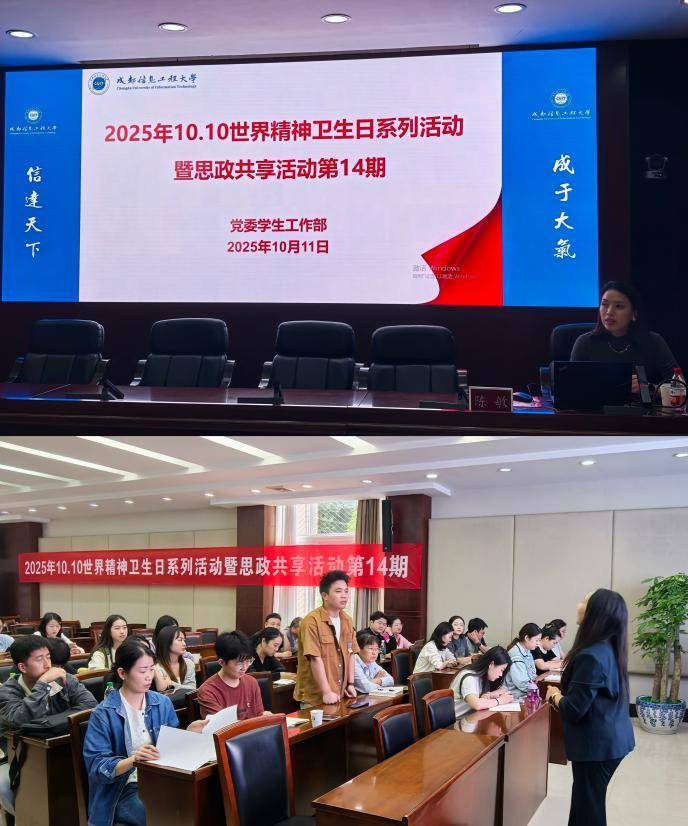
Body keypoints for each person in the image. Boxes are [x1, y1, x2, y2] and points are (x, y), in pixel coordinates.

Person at [83, 638, 206, 826]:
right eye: (142, 671)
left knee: (200, 804)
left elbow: (170, 747)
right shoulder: (103, 714)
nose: (149, 677)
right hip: (123, 789)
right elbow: (97, 767)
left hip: (160, 778)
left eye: (151, 669)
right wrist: (134, 760)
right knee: (168, 815)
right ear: (122, 673)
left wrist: (188, 733)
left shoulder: (161, 702)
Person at [546, 589, 635, 826]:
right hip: (611, 740)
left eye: (585, 600)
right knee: (583, 802)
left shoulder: (591, 655)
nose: (578, 604)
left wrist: (555, 696)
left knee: (589, 811)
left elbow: (574, 709)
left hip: (598, 747)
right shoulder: (608, 647)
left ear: (596, 612)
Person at [0, 636, 97, 819]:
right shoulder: (7, 692)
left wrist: (50, 724)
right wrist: (42, 685)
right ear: (22, 667)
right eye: (39, 659)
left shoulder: (63, 679)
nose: (47, 664)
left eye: (48, 657)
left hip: (62, 748)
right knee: (3, 785)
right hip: (19, 754)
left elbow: (90, 705)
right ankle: (25, 818)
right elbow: (19, 719)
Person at [571, 280, 681, 388]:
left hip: (642, 401)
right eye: (604, 304)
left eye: (619, 306)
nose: (609, 312)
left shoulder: (653, 342)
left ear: (634, 314)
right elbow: (571, 387)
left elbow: (680, 388)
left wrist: (647, 387)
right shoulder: (585, 343)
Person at [294, 570, 359, 709]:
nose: (344, 595)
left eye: (346, 591)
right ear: (325, 595)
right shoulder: (311, 621)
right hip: (316, 698)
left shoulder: (347, 620)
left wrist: (351, 684)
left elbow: (351, 653)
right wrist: (326, 691)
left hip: (340, 695)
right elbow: (314, 658)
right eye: (338, 591)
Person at [197, 631, 269, 719]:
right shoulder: (208, 691)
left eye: (248, 661)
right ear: (222, 662)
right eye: (240, 663)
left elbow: (259, 715)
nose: (245, 667)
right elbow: (223, 725)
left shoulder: (252, 682)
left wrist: (265, 717)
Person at [450, 646, 514, 717]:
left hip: (472, 717)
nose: (501, 674)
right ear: (491, 664)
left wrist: (490, 694)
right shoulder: (469, 677)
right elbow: (476, 704)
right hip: (457, 720)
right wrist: (499, 701)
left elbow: (503, 689)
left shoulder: (485, 675)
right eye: (501, 670)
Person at [153, 625, 197, 693]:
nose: (184, 644)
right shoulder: (157, 668)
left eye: (184, 640)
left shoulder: (188, 663)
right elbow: (161, 691)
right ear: (167, 642)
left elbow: (192, 688)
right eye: (180, 640)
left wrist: (171, 683)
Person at [504, 623, 542, 699]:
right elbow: (522, 683)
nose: (538, 643)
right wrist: (536, 691)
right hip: (514, 695)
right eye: (536, 640)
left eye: (539, 640)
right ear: (527, 638)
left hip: (524, 692)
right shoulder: (516, 655)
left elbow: (533, 675)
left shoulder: (528, 651)